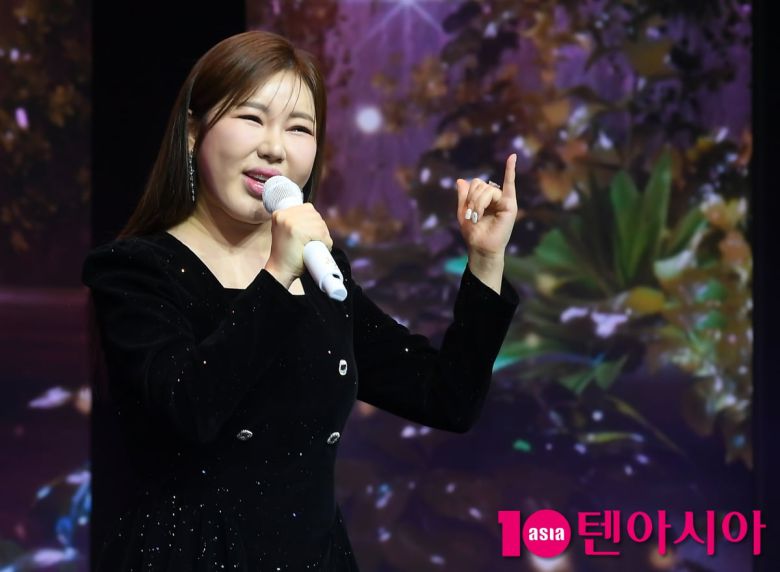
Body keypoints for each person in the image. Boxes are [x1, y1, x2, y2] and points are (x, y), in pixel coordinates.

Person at [82, 30, 520, 571]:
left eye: (299, 128)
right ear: (194, 131)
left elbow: (447, 398)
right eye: (251, 118)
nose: (275, 147)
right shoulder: (135, 270)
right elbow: (186, 411)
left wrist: (486, 261)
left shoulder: (321, 273)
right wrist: (277, 274)